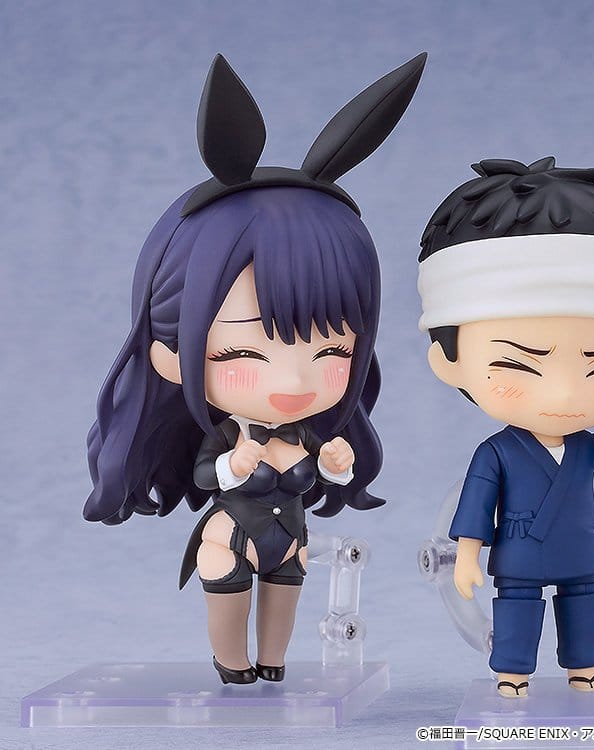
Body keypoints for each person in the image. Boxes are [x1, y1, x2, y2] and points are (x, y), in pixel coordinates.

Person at [85, 52, 426, 684]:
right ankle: (231, 663)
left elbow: (328, 468)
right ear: (170, 355)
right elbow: (206, 472)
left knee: (284, 603)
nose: (293, 383)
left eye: (331, 353)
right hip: (229, 535)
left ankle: (272, 663)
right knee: (230, 597)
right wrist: (232, 465)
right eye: (244, 353)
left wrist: (335, 461)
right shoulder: (227, 435)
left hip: (289, 537)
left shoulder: (308, 432)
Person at [417, 157, 594, 697]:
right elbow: (477, 504)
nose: (564, 394)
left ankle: (585, 666)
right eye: (520, 363)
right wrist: (467, 555)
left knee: (585, 605)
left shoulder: (586, 446)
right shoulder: (497, 452)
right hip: (521, 551)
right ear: (449, 361)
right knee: (518, 608)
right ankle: (513, 671)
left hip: (580, 549)